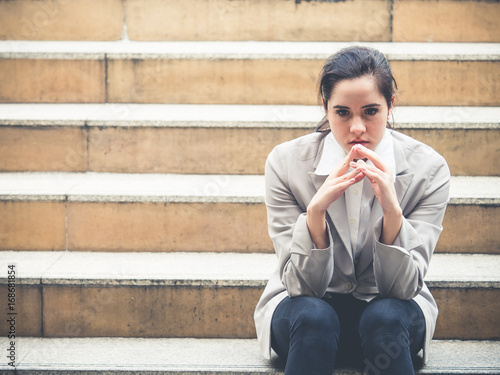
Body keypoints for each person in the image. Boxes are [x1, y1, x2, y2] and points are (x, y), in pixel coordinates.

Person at [254, 46, 450, 375]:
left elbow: (404, 288)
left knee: (385, 316)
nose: (356, 127)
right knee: (314, 316)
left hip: (390, 318)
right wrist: (314, 216)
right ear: (325, 108)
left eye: (370, 111)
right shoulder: (286, 163)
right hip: (305, 318)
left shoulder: (429, 169)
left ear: (390, 107)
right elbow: (300, 287)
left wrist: (392, 213)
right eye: (342, 112)